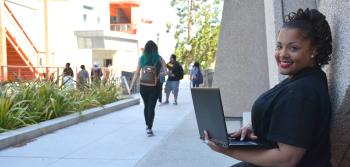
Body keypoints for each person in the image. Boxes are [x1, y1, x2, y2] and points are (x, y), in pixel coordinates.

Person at [204, 8, 333, 167]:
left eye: (293, 48)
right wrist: (252, 126)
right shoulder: (303, 78)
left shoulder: (302, 92)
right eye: (279, 46)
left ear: (314, 50)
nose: (283, 54)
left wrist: (226, 149)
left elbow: (286, 160)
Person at [129, 40, 168, 137]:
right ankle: (149, 128)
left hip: (143, 86)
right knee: (151, 107)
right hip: (155, 86)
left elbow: (137, 73)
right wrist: (158, 75)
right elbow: (166, 72)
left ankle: (147, 125)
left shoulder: (142, 58)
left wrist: (131, 85)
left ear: (145, 49)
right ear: (155, 49)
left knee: (146, 106)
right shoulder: (159, 58)